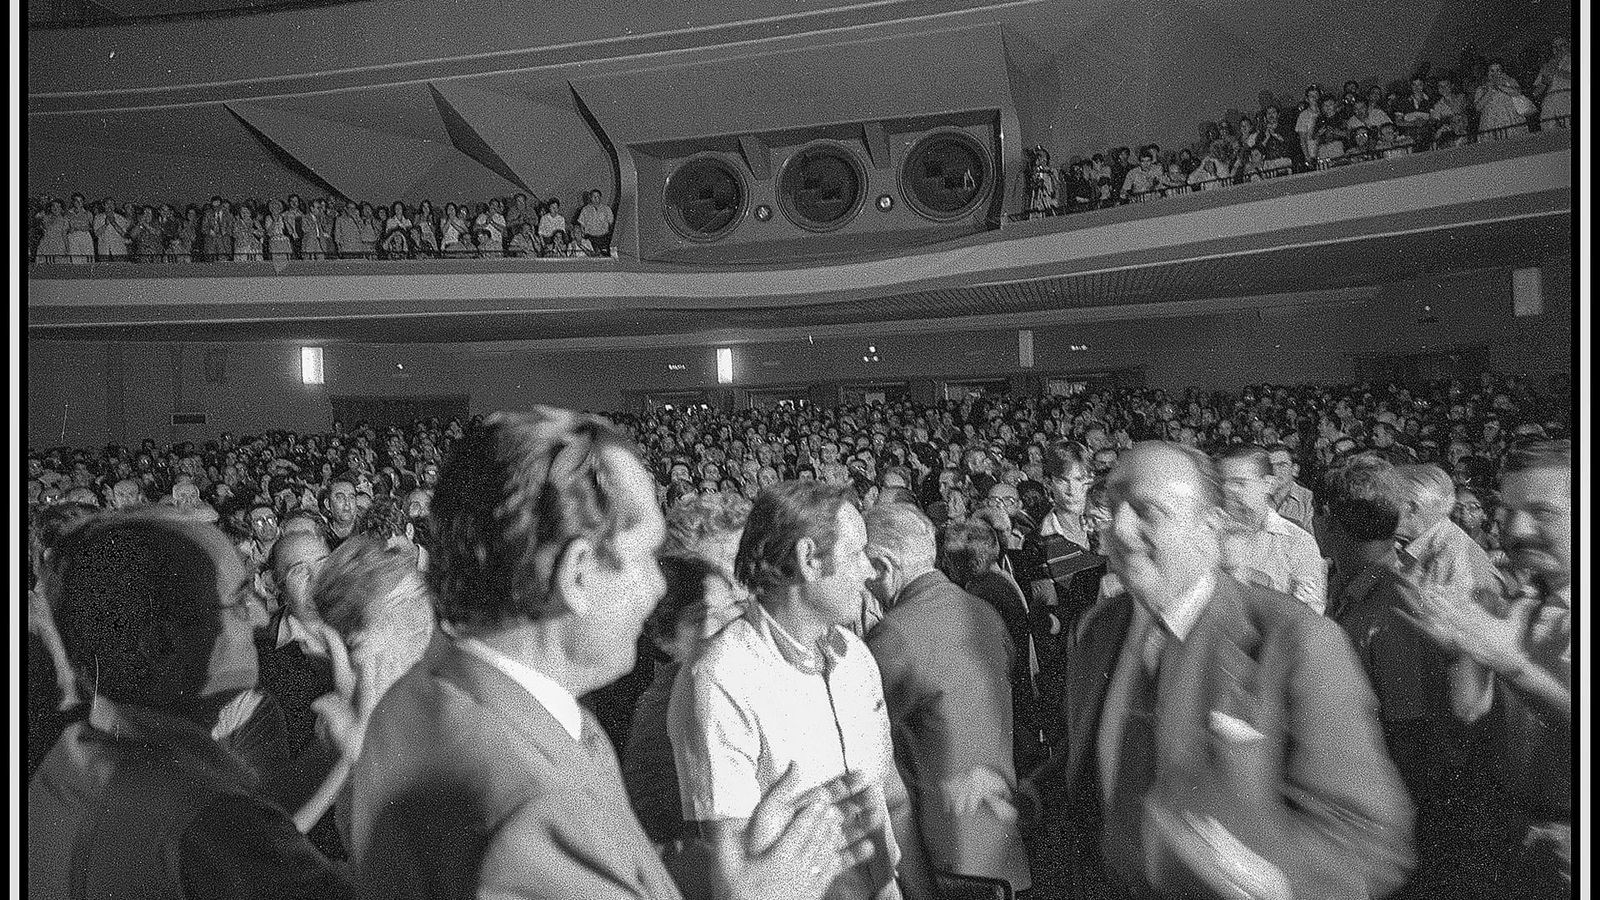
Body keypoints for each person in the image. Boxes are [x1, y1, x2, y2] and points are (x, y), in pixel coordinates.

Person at [349, 411, 881, 900]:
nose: (657, 589)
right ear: (579, 576)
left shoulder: (431, 697)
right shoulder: (528, 800)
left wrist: (716, 864)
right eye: (647, 557)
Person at [1034, 441, 1414, 900]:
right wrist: (1029, 797)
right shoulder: (1098, 628)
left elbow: (1371, 839)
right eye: (1112, 505)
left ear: (1210, 526)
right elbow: (1097, 758)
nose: (1119, 527)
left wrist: (1274, 877)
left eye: (1147, 510)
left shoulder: (1296, 642)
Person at [28, 509, 356, 898]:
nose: (255, 615)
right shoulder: (206, 822)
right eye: (236, 602)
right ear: (162, 644)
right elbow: (241, 833)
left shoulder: (68, 761)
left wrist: (336, 741)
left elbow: (264, 811)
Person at [671, 480, 935, 900]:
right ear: (809, 559)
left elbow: (893, 800)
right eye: (855, 554)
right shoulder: (721, 678)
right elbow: (734, 869)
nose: (870, 570)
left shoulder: (856, 659)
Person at [1400, 442, 1571, 897]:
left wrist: (1512, 665)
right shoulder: (1526, 604)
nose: (1517, 528)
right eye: (1510, 510)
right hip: (1515, 843)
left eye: (1541, 512)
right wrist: (1460, 653)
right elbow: (1473, 714)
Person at [862, 503, 1031, 896]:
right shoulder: (984, 613)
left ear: (884, 566)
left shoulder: (895, 636)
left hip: (944, 856)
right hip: (1005, 842)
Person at [1320, 456, 1456, 898]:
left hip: (1377, 827)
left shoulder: (1393, 608)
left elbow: (1409, 736)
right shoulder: (1350, 588)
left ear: (1325, 523)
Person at [1215, 445, 1326, 612]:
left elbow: (1309, 616)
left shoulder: (1297, 542)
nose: (1229, 491)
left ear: (1268, 484)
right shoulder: (1205, 535)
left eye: (1239, 482)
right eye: (1223, 483)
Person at [1474, 60, 1532, 136]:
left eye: (1498, 70)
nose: (1495, 74)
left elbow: (1518, 93)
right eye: (1492, 71)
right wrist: (1490, 91)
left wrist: (1501, 86)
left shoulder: (1510, 82)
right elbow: (1478, 108)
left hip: (1510, 119)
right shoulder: (1482, 88)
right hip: (1490, 122)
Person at [578, 189, 615, 255]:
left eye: (597, 196)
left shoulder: (606, 209)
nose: (596, 198)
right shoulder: (585, 210)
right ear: (590, 198)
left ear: (600, 197)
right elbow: (581, 224)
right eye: (594, 196)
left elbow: (611, 223)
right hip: (590, 238)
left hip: (603, 238)